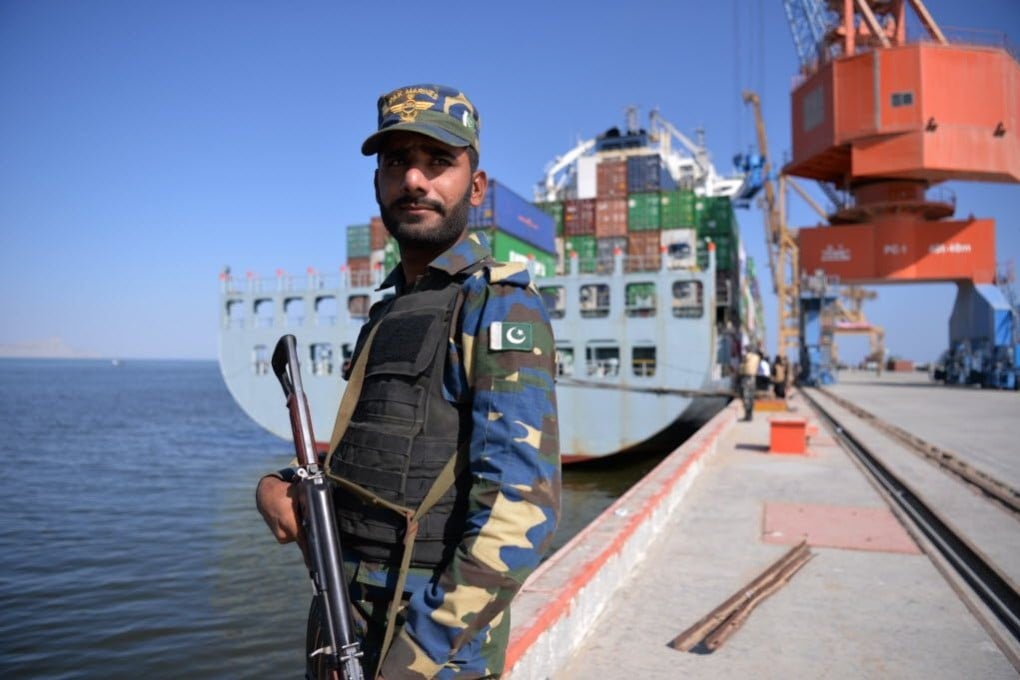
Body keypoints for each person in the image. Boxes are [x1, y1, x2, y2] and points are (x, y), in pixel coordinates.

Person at [255, 84, 561, 679]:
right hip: (346, 620)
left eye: (438, 161)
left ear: (475, 186)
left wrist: (412, 659)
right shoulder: (389, 312)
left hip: (431, 645)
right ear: (377, 184)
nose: (414, 180)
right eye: (396, 162)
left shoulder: (497, 307)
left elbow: (522, 510)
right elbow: (374, 451)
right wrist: (281, 484)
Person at [739, 344, 762, 421]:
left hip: (746, 377)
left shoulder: (747, 356)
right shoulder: (757, 358)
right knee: (751, 397)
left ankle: (747, 416)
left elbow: (742, 365)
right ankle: (750, 415)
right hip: (753, 378)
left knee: (745, 396)